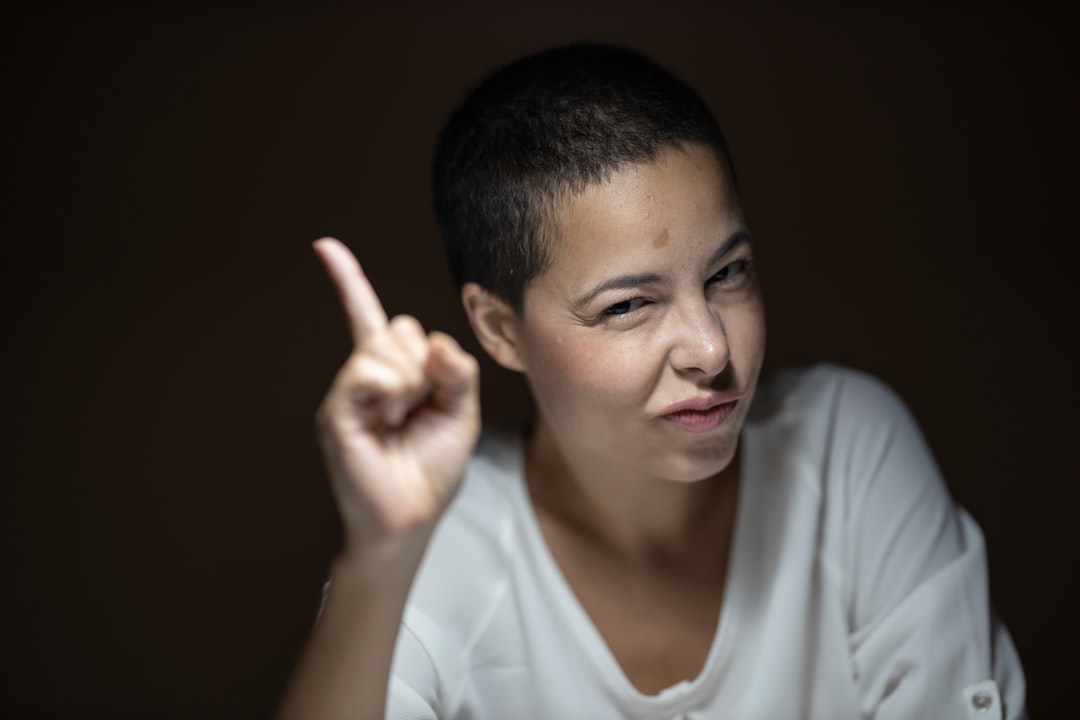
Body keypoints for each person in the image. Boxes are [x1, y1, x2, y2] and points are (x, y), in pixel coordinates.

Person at [276, 44, 1026, 720]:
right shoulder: (440, 554)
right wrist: (380, 559)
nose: (711, 348)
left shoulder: (845, 453)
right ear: (500, 330)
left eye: (728, 273)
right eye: (628, 305)